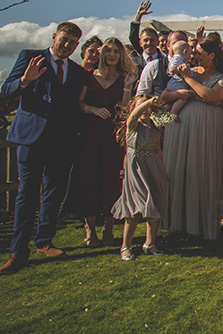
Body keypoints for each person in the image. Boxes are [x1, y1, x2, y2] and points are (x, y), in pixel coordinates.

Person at [0, 22, 86, 274]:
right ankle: (18, 251)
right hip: (31, 138)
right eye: (64, 39)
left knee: (53, 193)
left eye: (73, 42)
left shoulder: (76, 70)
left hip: (61, 141)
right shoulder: (30, 57)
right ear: (54, 37)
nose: (68, 45)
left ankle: (44, 241)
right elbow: (6, 90)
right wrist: (25, 81)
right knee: (26, 194)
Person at [161, 36, 223, 240]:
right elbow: (165, 95)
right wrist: (178, 93)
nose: (194, 56)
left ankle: (199, 225)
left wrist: (189, 81)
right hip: (180, 127)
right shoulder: (186, 71)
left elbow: (211, 96)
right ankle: (175, 225)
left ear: (212, 55)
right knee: (178, 171)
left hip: (207, 128)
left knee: (201, 171)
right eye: (194, 53)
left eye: (199, 53)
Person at [73, 37, 137, 246]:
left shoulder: (123, 78)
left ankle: (108, 228)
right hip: (90, 134)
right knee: (88, 179)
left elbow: (125, 111)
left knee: (111, 180)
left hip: (112, 135)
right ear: (102, 53)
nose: (111, 55)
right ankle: (90, 230)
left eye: (116, 52)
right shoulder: (89, 76)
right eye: (108, 51)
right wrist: (93, 109)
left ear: (120, 56)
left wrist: (127, 88)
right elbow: (79, 104)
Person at [111, 95, 169, 261]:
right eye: (142, 107)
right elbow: (135, 116)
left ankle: (150, 243)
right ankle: (126, 246)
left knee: (156, 201)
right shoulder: (132, 125)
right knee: (135, 206)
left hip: (153, 164)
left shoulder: (155, 128)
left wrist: (162, 170)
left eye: (149, 108)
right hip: (136, 167)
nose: (146, 111)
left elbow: (158, 150)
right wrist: (148, 102)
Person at [136, 30, 188, 97]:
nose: (179, 47)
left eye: (183, 44)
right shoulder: (153, 66)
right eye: (175, 43)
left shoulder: (193, 67)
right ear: (168, 46)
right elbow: (141, 95)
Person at [165, 40, 193, 117]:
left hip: (176, 83)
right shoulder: (178, 58)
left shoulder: (179, 58)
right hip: (177, 83)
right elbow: (172, 68)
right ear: (185, 51)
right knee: (182, 98)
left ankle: (164, 111)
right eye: (190, 53)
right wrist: (181, 70)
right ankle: (173, 114)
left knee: (171, 103)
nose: (191, 56)